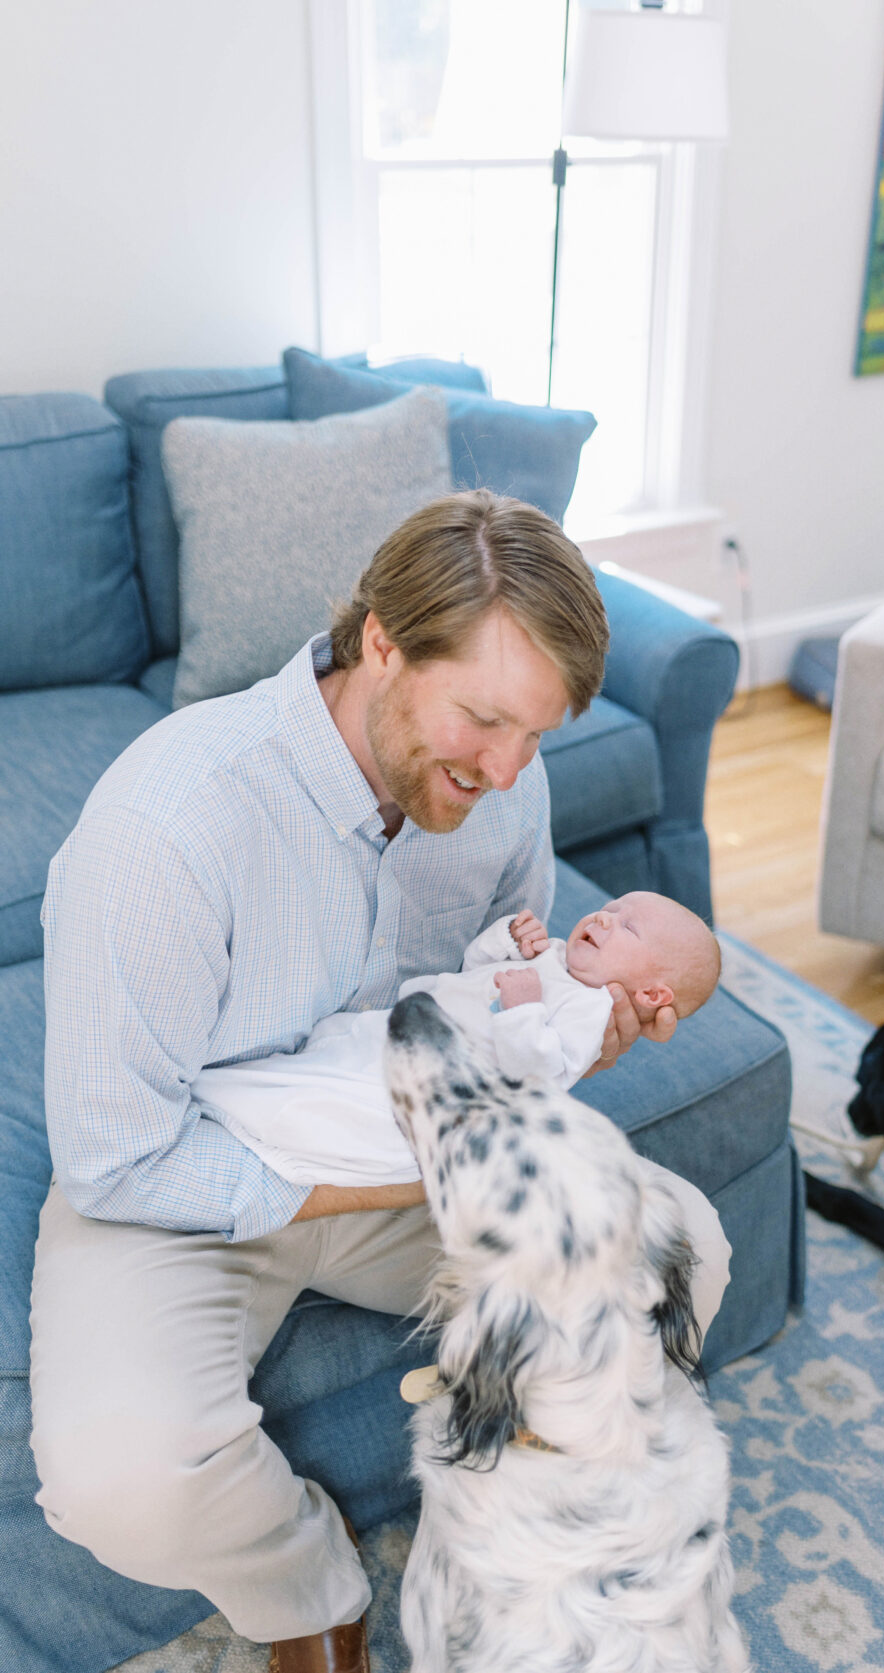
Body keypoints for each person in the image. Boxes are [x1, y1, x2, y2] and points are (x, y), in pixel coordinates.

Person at [29, 489, 732, 1673]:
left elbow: (493, 1010)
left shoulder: (499, 782)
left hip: (404, 1143)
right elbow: (118, 1157)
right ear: (382, 642)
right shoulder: (170, 828)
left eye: (539, 735)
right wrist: (407, 1169)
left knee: (683, 1256)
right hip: (193, 1170)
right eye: (485, 719)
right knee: (119, 1476)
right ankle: (310, 1584)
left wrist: (569, 1043)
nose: (510, 771)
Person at [192, 892, 723, 1189]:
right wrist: (506, 943)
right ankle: (237, 1084)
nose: (607, 917)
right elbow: (473, 973)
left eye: (628, 929)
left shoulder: (592, 1009)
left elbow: (534, 1076)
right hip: (403, 1024)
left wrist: (524, 1010)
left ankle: (225, 1105)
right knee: (332, 1047)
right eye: (614, 907)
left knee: (334, 1105)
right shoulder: (557, 956)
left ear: (652, 993)